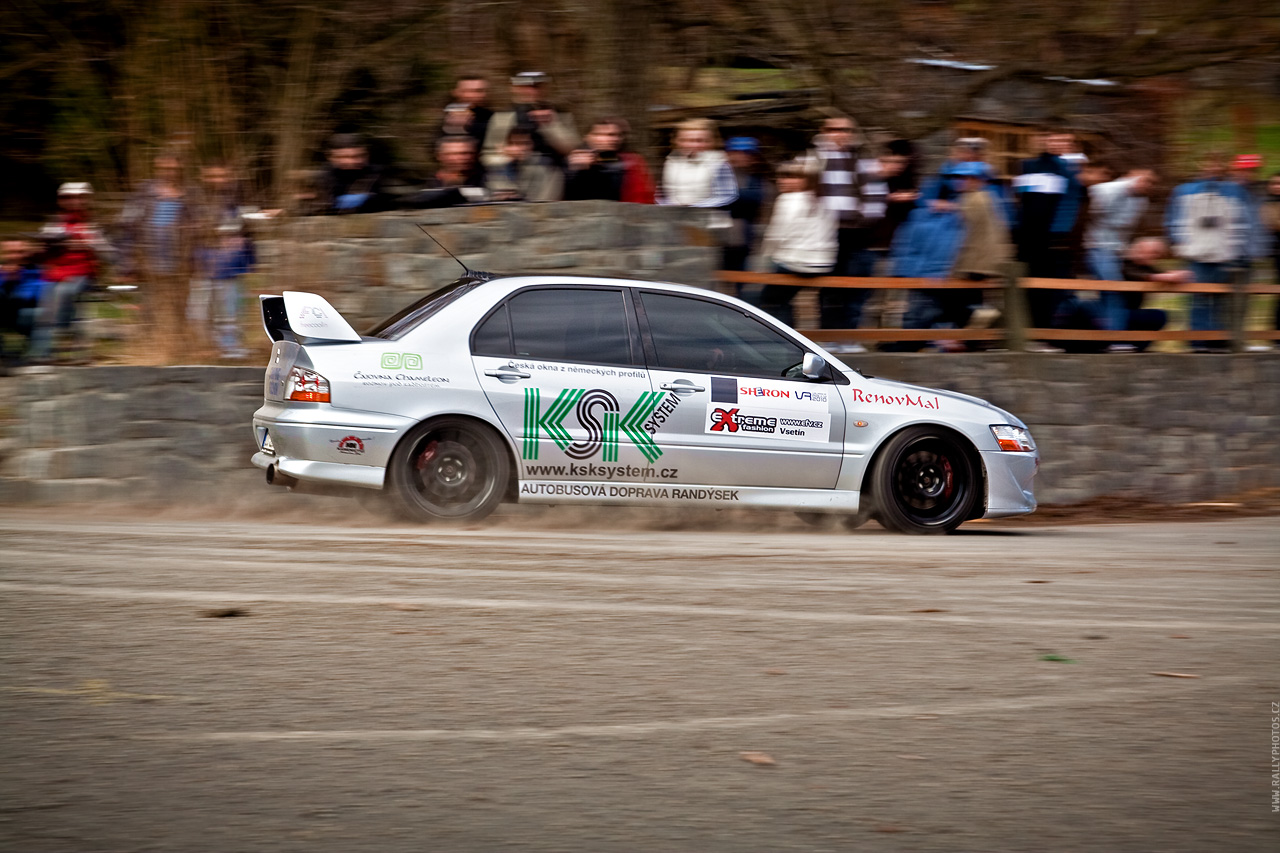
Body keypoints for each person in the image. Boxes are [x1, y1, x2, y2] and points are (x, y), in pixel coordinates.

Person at [1165, 151, 1252, 351]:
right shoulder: (1184, 191)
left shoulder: (1234, 191)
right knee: (1199, 300)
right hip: (1196, 256)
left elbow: (1242, 223)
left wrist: (1236, 250)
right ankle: (1198, 342)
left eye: (1216, 164)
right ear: (1200, 165)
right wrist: (1182, 246)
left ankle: (1216, 341)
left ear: (1222, 166)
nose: (1212, 168)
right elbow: (1172, 221)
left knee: (1220, 302)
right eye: (1208, 163)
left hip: (1224, 256)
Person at [1013, 129, 1085, 330]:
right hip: (1042, 238)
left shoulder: (1074, 168)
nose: (1057, 143)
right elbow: (1029, 206)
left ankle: (1055, 330)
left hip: (1065, 240)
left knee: (1059, 289)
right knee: (1040, 288)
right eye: (1053, 138)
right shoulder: (1034, 166)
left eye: (1064, 139)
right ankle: (1038, 330)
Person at [31, 182, 111, 361]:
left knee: (65, 292)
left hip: (82, 274)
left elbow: (106, 250)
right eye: (68, 198)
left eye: (78, 197)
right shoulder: (55, 224)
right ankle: (41, 353)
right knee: (47, 303)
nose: (74, 201)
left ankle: (65, 333)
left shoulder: (91, 225)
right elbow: (44, 249)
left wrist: (85, 244)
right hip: (55, 274)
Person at [756, 162, 837, 326]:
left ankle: (782, 337)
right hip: (823, 262)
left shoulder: (787, 199)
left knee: (768, 301)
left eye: (791, 177)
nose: (783, 181)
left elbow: (777, 234)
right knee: (783, 298)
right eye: (782, 177)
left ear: (807, 180)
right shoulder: (824, 200)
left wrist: (764, 260)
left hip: (796, 261)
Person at [190, 162, 256, 359]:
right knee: (199, 313)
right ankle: (207, 348)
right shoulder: (196, 201)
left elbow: (247, 233)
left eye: (222, 176)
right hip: (203, 265)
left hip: (230, 267)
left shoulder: (238, 201)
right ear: (203, 177)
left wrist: (250, 261)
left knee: (230, 312)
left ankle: (230, 348)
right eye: (212, 176)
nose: (217, 181)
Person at [1086, 168, 1157, 332]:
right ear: (1137, 180)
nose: (1145, 188)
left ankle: (1105, 333)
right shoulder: (1109, 190)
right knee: (1114, 290)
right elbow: (1091, 212)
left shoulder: (1142, 201)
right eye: (1144, 183)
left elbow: (1128, 227)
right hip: (1098, 246)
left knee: (1113, 294)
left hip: (1118, 249)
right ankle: (1114, 336)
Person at [482, 72, 579, 173]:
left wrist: (551, 126)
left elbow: (573, 150)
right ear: (515, 88)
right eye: (526, 87)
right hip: (514, 174)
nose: (532, 91)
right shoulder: (503, 117)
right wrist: (507, 156)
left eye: (537, 87)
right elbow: (488, 156)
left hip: (552, 172)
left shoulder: (560, 114)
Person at [1110, 237, 1179, 352]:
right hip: (1115, 315)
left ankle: (1136, 348)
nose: (1154, 257)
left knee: (1160, 316)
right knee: (1157, 316)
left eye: (1156, 254)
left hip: (1130, 315)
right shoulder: (1123, 263)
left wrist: (1175, 274)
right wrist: (1160, 277)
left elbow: (1161, 273)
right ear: (1139, 249)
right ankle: (1131, 346)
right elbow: (1131, 273)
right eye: (1152, 252)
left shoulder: (1145, 267)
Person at [564, 118, 656, 204]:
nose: (613, 139)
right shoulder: (575, 161)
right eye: (604, 134)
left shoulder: (629, 162)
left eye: (616, 135)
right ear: (588, 137)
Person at [658, 118, 737, 209]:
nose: (694, 145)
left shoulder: (718, 163)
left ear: (710, 142)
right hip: (674, 219)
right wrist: (665, 206)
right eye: (687, 140)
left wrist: (694, 208)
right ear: (677, 142)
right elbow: (662, 194)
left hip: (709, 220)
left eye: (699, 140)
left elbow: (727, 195)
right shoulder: (671, 162)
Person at [720, 137, 769, 278]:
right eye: (736, 152)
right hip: (716, 234)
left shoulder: (756, 178)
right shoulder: (717, 173)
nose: (740, 156)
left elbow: (756, 198)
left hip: (742, 235)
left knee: (741, 275)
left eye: (746, 153)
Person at [310, 133, 393, 215]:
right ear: (330, 157)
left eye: (360, 155)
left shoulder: (377, 173)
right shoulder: (323, 177)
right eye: (345, 157)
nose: (354, 161)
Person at [0, 236, 47, 369]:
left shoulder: (34, 271)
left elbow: (31, 296)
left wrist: (14, 279)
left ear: (26, 253)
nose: (15, 256)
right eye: (11, 252)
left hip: (26, 314)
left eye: (20, 252)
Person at [405, 136, 489, 208]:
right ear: (439, 156)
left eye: (468, 153)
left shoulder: (487, 181)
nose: (464, 158)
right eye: (455, 154)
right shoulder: (425, 184)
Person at [487, 128, 563, 202]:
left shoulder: (547, 167)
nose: (520, 148)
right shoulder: (502, 168)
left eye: (524, 143)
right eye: (514, 143)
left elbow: (545, 200)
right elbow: (495, 195)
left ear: (532, 145)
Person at [439, 74, 493, 147]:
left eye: (479, 91)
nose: (473, 96)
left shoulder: (494, 118)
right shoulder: (446, 118)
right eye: (468, 91)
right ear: (456, 92)